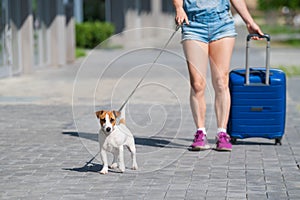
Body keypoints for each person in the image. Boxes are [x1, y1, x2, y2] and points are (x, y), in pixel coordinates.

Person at [172, 0, 263, 151]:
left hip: (222, 24)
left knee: (221, 81)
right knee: (197, 83)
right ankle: (200, 132)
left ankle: (222, 133)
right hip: (193, 25)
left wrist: (249, 21)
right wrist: (179, 8)